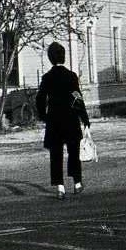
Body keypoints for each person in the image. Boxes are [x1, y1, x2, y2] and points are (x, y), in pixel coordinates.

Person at [35, 40, 91, 198]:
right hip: (71, 120)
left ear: (50, 58)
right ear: (63, 57)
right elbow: (78, 99)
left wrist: (44, 116)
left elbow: (40, 99)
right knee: (74, 152)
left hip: (54, 121)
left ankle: (60, 187)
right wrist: (85, 119)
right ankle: (77, 183)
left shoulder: (47, 78)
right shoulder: (71, 77)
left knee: (56, 154)